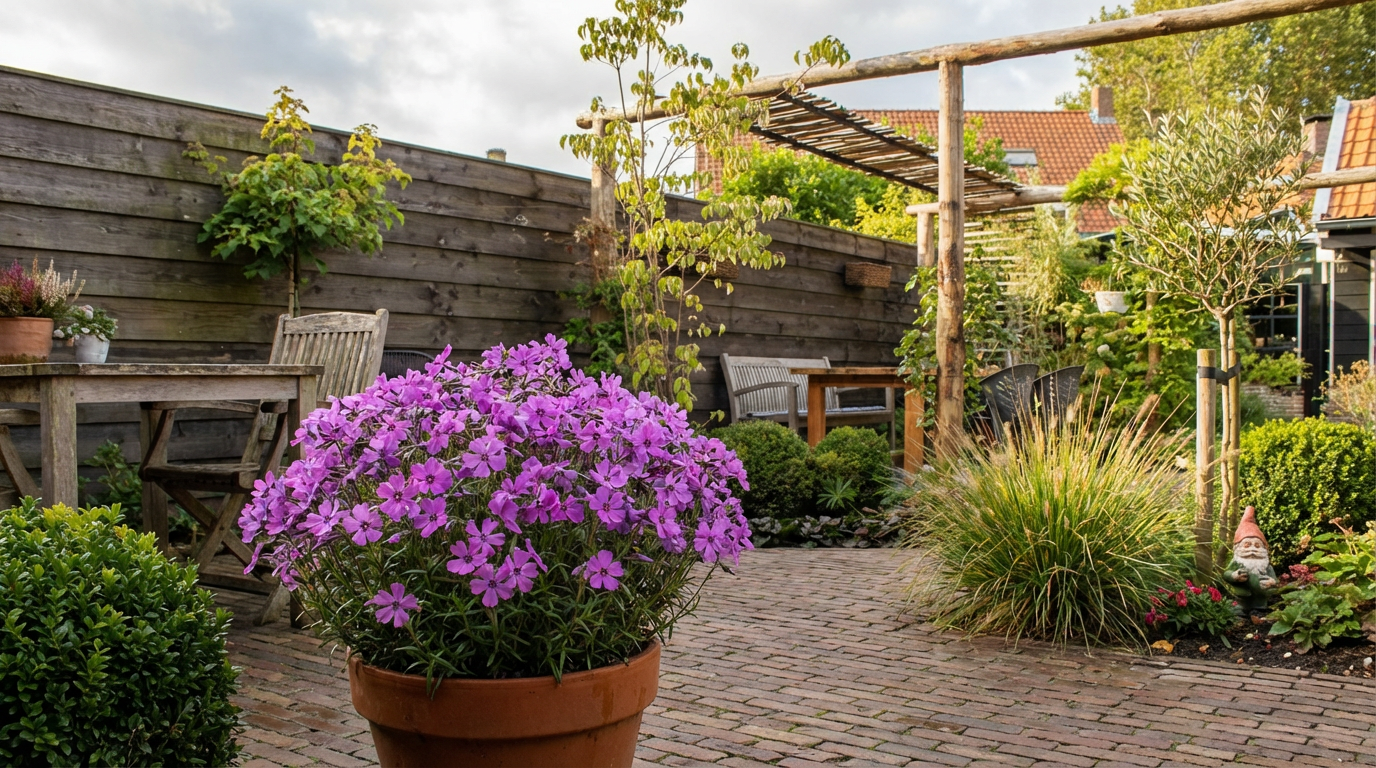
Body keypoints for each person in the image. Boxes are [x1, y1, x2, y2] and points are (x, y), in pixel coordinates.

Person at [1222, 506, 1277, 613]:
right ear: (1237, 548)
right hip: (1242, 594)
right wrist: (1234, 575)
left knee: (1260, 606)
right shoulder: (1237, 562)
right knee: (1239, 607)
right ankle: (1241, 609)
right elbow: (1226, 574)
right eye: (1247, 545)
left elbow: (1275, 580)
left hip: (1261, 596)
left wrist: (1272, 582)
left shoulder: (1266, 566)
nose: (1252, 549)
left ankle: (1259, 609)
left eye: (1257, 546)